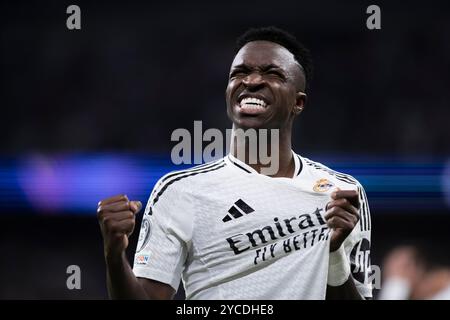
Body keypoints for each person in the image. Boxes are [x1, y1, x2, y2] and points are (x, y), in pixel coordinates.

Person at [97, 26, 372, 299]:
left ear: (298, 103)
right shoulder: (180, 192)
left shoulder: (342, 193)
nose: (251, 81)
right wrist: (114, 255)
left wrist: (334, 254)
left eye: (272, 73)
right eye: (239, 73)